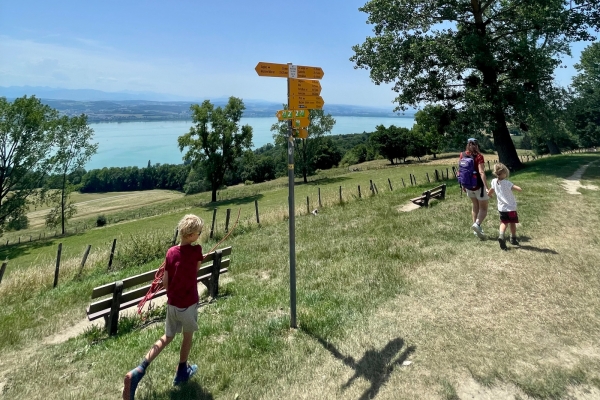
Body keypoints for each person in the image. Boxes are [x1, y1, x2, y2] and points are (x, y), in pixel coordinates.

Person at [123, 214, 205, 400]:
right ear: (191, 235)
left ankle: (139, 369)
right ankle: (182, 371)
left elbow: (166, 281)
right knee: (187, 336)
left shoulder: (170, 252)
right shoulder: (196, 250)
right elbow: (195, 270)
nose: (199, 236)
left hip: (172, 304)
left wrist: (173, 295)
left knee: (167, 337)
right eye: (198, 233)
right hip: (189, 304)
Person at [487, 163, 523, 250]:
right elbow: (519, 189)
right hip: (511, 208)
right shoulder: (507, 183)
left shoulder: (494, 182)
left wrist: (489, 194)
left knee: (503, 222)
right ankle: (513, 239)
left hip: (501, 208)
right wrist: (519, 188)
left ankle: (501, 235)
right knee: (512, 223)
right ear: (504, 173)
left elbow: (491, 191)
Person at [459, 138, 489, 239]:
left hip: (468, 186)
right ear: (477, 145)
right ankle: (477, 224)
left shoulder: (462, 155)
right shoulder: (479, 156)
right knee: (483, 208)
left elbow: (462, 171)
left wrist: (463, 185)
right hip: (478, 186)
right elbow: (481, 172)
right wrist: (486, 187)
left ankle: (476, 230)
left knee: (475, 206)